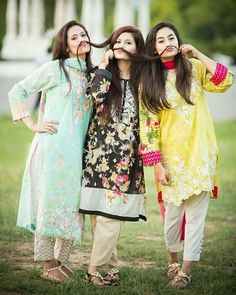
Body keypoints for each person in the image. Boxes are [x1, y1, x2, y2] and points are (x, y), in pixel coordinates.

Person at [139, 22, 234, 289]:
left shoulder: (194, 69)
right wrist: (157, 165)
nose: (167, 41)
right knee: (172, 218)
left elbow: (225, 80)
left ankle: (185, 270)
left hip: (201, 153)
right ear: (154, 48)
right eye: (160, 40)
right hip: (171, 158)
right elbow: (147, 127)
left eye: (171, 37)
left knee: (195, 218)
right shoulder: (148, 81)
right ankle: (172, 260)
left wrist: (198, 54)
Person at [8, 20, 93, 282]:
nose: (81, 39)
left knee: (72, 207)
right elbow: (17, 91)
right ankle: (47, 264)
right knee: (50, 205)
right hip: (53, 148)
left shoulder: (92, 74)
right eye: (74, 37)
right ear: (65, 46)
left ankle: (61, 261)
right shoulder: (56, 69)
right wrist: (33, 124)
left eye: (83, 34)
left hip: (77, 152)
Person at [79, 26, 146, 286]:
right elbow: (94, 96)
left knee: (111, 216)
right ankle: (112, 265)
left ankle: (92, 269)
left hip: (126, 160)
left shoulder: (144, 80)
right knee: (98, 215)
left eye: (128, 42)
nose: (120, 44)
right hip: (97, 156)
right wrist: (104, 65)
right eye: (117, 41)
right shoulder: (102, 75)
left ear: (137, 49)